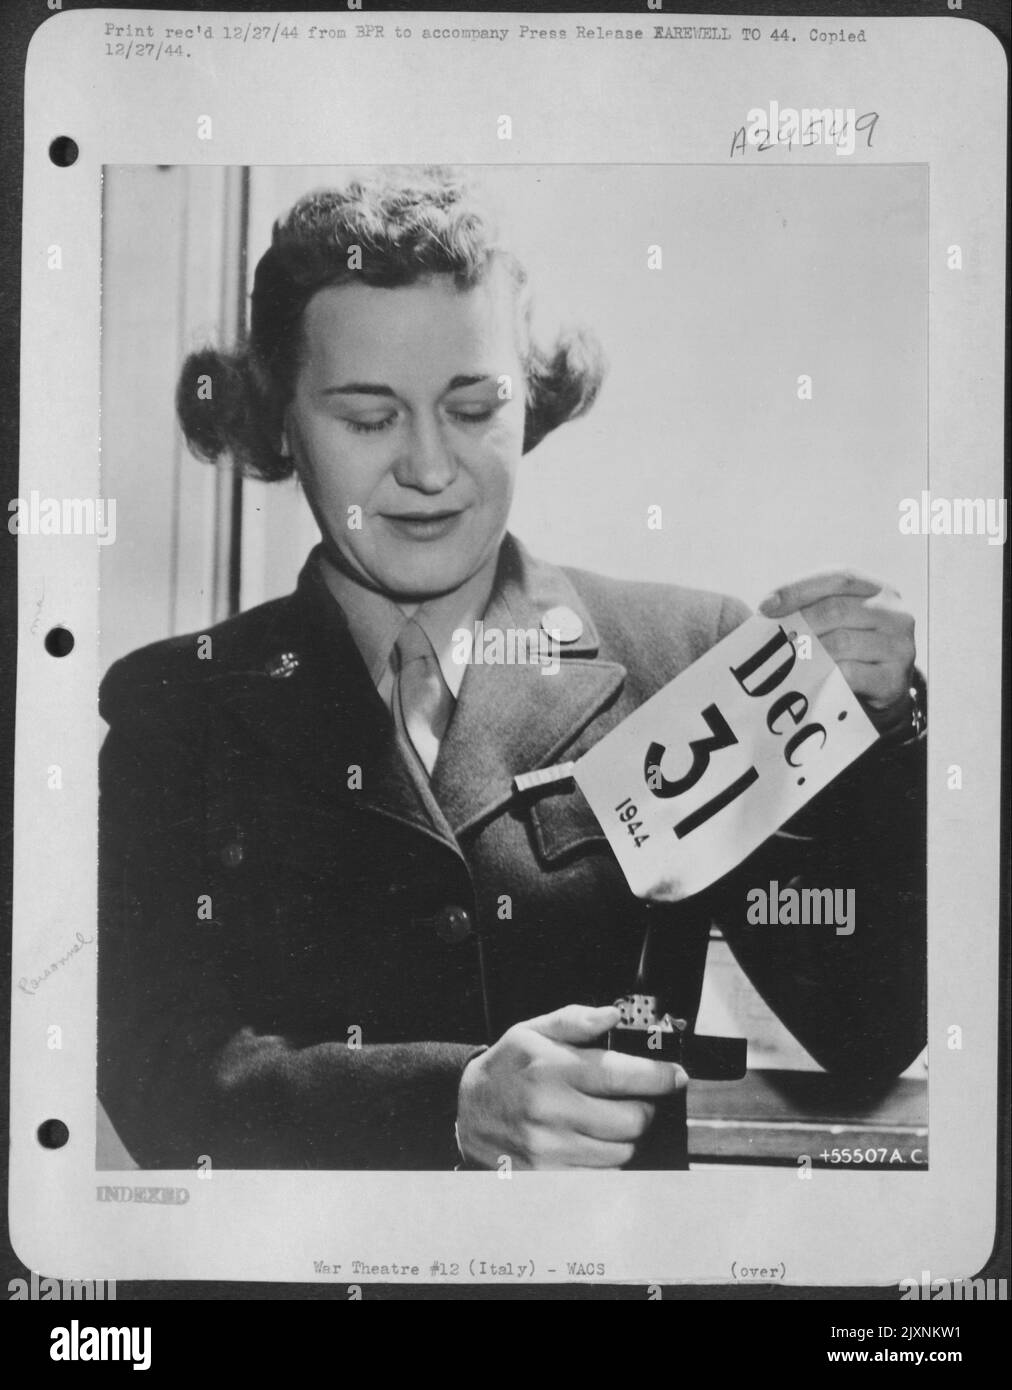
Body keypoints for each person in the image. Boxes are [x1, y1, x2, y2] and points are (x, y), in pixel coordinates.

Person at [97, 167, 926, 1172]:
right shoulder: (176, 709)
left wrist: (879, 734)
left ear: (530, 402)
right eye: (369, 418)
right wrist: (446, 1103)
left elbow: (863, 1032)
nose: (431, 469)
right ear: (278, 416)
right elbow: (162, 1076)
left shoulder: (688, 657)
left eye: (474, 407)